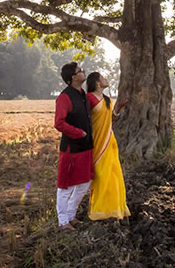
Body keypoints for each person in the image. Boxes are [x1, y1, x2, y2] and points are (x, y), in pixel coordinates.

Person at [85, 71, 131, 222]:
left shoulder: (107, 99)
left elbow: (111, 119)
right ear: (97, 83)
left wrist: (118, 108)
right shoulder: (89, 98)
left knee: (113, 175)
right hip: (97, 142)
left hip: (109, 141)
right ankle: (98, 210)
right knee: (101, 175)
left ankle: (114, 209)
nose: (106, 79)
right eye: (103, 78)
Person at [53, 61, 94, 230]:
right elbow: (59, 123)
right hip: (71, 149)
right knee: (66, 186)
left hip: (86, 148)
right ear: (73, 77)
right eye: (80, 71)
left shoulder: (83, 94)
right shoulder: (64, 97)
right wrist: (80, 133)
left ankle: (71, 216)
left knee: (85, 183)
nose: (84, 72)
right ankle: (63, 222)